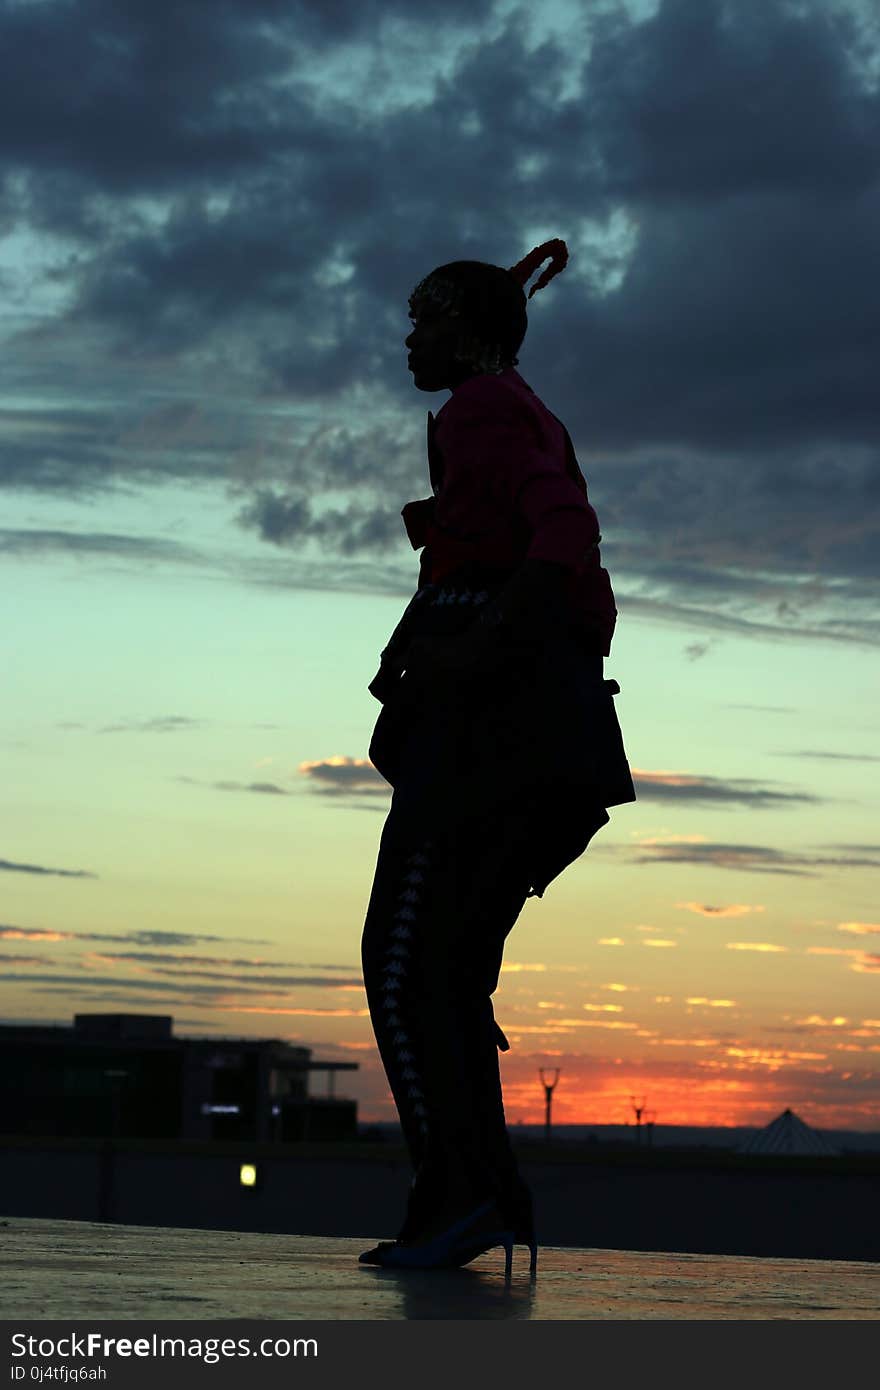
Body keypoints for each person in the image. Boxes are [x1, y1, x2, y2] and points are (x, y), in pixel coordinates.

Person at [359, 239, 635, 1275]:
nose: (409, 335)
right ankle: (476, 1195)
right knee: (442, 966)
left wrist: (469, 648)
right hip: (519, 739)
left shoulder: (485, 410)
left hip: (488, 742)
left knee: (405, 960)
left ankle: (462, 1193)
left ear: (470, 331)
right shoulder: (513, 412)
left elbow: (562, 531)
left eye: (426, 317)